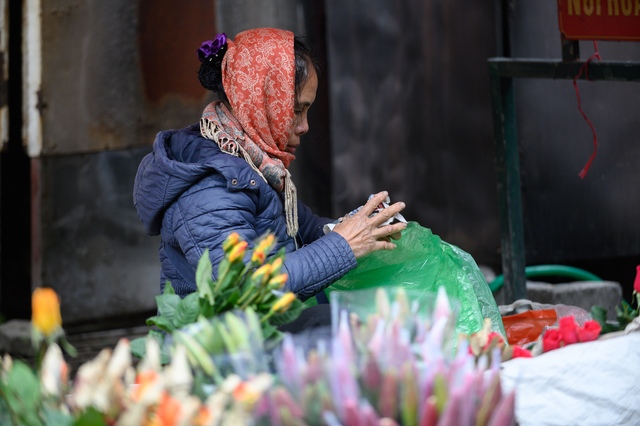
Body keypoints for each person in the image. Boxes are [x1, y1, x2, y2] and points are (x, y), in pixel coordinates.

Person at [133, 27, 406, 304]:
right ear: (260, 102)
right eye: (296, 110)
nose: (304, 126)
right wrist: (344, 245)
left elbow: (305, 229)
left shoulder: (253, 161)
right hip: (222, 341)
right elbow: (242, 287)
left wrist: (364, 227)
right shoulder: (212, 184)